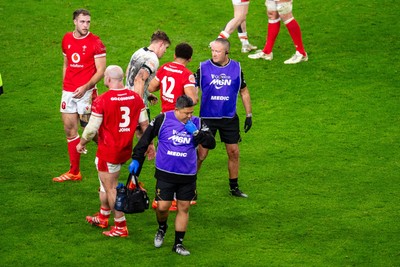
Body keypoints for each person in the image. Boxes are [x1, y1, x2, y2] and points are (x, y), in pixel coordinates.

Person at [129, 95, 216, 255]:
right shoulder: (162, 119)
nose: (189, 116)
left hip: (187, 175)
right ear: (176, 110)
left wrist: (197, 133)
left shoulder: (197, 122)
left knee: (184, 208)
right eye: (186, 113)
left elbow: (211, 143)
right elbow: (145, 139)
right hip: (165, 174)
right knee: (162, 208)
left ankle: (178, 244)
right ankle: (162, 228)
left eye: (191, 112)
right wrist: (136, 160)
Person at [76, 65, 149, 237]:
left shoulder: (102, 100)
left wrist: (81, 143)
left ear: (108, 79)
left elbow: (92, 129)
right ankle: (103, 217)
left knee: (111, 188)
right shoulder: (136, 98)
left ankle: (120, 226)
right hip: (125, 149)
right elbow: (144, 125)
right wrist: (150, 145)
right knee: (104, 184)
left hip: (109, 151)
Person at [53, 9, 106, 182]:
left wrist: (85, 87)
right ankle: (74, 171)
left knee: (92, 130)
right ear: (75, 22)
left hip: (87, 93)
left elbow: (101, 71)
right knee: (69, 130)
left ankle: (110, 156)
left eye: (88, 22)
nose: (85, 25)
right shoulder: (67, 39)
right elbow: (66, 63)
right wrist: (65, 84)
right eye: (82, 22)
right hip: (69, 92)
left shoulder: (96, 42)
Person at [196, 38, 252, 198]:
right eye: (212, 50)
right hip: (208, 118)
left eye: (217, 51)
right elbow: (192, 87)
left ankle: (234, 187)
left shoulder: (236, 68)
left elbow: (244, 91)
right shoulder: (203, 68)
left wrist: (249, 114)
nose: (214, 54)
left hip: (229, 118)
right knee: (201, 154)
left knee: (233, 152)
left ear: (226, 52)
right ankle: (188, 186)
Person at [148, 42, 198, 210]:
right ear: (189, 59)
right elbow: (193, 100)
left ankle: (159, 195)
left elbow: (152, 87)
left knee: (164, 153)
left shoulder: (165, 68)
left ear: (174, 55)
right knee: (179, 154)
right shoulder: (187, 74)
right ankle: (177, 196)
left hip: (164, 118)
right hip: (178, 118)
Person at [125, 30, 171, 118]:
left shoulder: (139, 52)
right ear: (161, 44)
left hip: (126, 100)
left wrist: (147, 94)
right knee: (145, 131)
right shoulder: (153, 59)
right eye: (166, 47)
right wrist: (138, 105)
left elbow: (128, 73)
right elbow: (139, 79)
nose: (165, 51)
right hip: (137, 104)